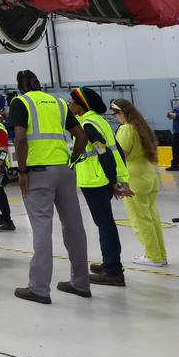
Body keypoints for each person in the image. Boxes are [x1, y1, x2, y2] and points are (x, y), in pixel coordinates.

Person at [10, 70, 91, 304]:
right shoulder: (58, 103)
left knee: (42, 228)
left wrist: (22, 170)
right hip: (64, 170)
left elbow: (20, 138)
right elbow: (81, 136)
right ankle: (81, 282)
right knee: (74, 226)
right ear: (39, 84)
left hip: (38, 173)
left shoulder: (21, 102)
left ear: (20, 86)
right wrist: (73, 159)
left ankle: (39, 288)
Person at [69, 87, 131, 288]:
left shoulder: (87, 124)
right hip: (102, 179)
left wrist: (113, 181)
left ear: (81, 104)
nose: (70, 105)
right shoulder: (99, 120)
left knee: (104, 225)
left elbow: (103, 152)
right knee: (105, 223)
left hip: (95, 180)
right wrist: (118, 178)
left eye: (72, 101)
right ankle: (109, 263)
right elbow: (117, 151)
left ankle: (112, 271)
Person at [111, 99, 168, 268]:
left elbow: (122, 155)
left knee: (140, 219)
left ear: (122, 113)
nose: (115, 118)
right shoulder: (141, 127)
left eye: (115, 114)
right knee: (152, 218)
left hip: (133, 178)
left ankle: (153, 256)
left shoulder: (126, 130)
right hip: (149, 175)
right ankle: (160, 255)